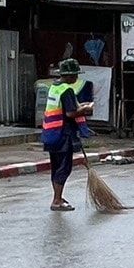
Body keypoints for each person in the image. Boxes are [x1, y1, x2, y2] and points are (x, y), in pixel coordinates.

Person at [43, 57, 94, 211]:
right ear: (69, 75)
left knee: (56, 167)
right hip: (63, 134)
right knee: (64, 168)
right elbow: (71, 113)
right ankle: (57, 200)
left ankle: (57, 196)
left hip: (51, 133)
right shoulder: (67, 90)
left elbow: (66, 107)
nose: (77, 78)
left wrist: (81, 106)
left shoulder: (55, 87)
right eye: (75, 75)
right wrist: (86, 109)